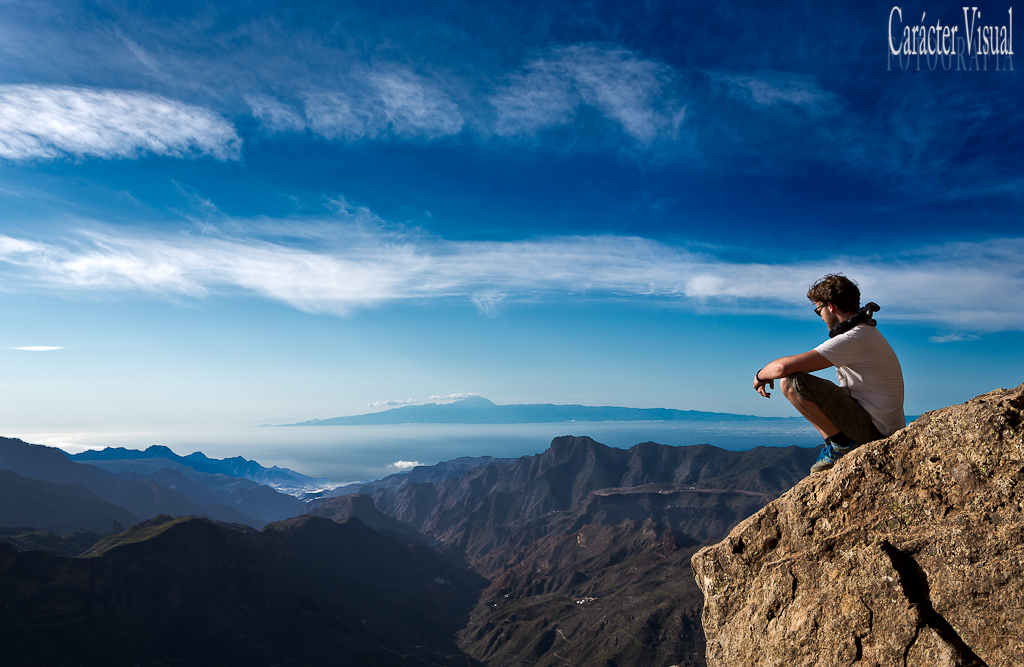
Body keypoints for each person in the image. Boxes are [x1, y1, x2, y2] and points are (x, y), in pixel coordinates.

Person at [753, 274, 905, 473]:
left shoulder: (855, 337)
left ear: (830, 306)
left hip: (875, 430)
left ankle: (841, 445)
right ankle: (837, 444)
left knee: (790, 382)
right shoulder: (865, 333)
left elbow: (783, 368)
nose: (821, 317)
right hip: (880, 424)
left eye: (819, 311)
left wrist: (759, 376)